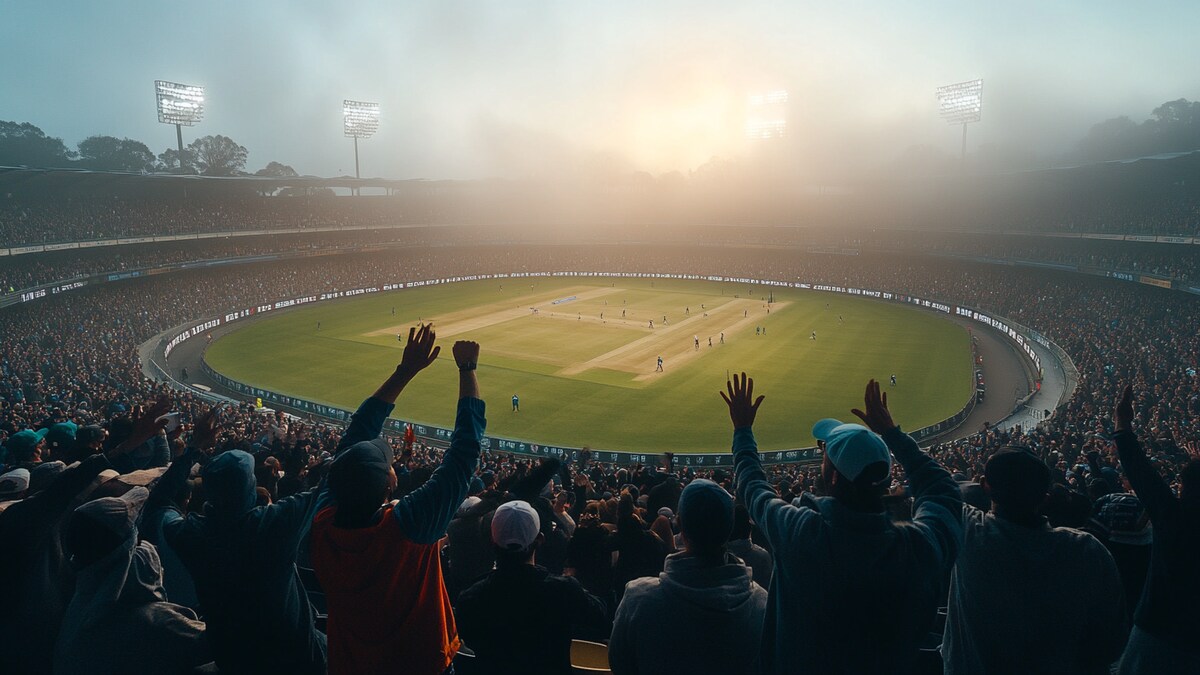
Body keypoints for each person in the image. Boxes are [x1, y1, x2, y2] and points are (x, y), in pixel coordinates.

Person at [726, 376, 962, 674]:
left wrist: (743, 430)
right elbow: (943, 491)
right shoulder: (918, 547)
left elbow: (753, 487)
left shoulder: (801, 531)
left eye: (825, 454)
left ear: (834, 477)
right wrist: (892, 435)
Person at [303, 326, 485, 675]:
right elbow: (463, 455)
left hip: (349, 664)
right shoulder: (408, 526)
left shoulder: (322, 521)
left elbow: (354, 439)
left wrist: (405, 371)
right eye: (388, 463)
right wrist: (466, 369)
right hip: (421, 664)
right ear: (388, 488)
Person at [941, 446, 1128, 674]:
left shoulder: (968, 529)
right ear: (1045, 497)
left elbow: (930, 484)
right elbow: (1113, 640)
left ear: (985, 487)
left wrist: (890, 432)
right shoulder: (1088, 550)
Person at [610, 479, 767, 675]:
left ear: (680, 523)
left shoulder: (637, 599)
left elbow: (620, 666)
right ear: (730, 527)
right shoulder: (764, 605)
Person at [55, 487, 211, 675]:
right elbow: (227, 644)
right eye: (137, 541)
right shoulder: (157, 623)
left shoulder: (76, 605)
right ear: (126, 554)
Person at [456, 500, 607, 675]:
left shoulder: (470, 599)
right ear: (540, 539)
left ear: (492, 541)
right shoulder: (563, 591)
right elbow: (600, 616)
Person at [1111, 385, 1200, 673]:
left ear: (1184, 490)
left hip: (1155, 633)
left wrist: (1122, 422)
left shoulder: (1175, 520)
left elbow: (1141, 473)